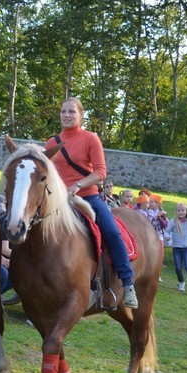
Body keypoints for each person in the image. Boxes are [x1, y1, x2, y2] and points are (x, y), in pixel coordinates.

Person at [45, 97, 138, 308]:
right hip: (59, 201)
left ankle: (127, 282)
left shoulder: (90, 139)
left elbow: (101, 172)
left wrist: (77, 185)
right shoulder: (51, 143)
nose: (66, 115)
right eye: (63, 111)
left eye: (71, 112)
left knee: (112, 232)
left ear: (81, 115)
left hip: (88, 197)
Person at [164, 203, 187, 293]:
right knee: (178, 267)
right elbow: (166, 231)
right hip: (177, 248)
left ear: (186, 211)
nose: (180, 212)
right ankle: (181, 282)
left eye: (182, 210)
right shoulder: (173, 221)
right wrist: (167, 237)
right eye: (178, 210)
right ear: (176, 212)